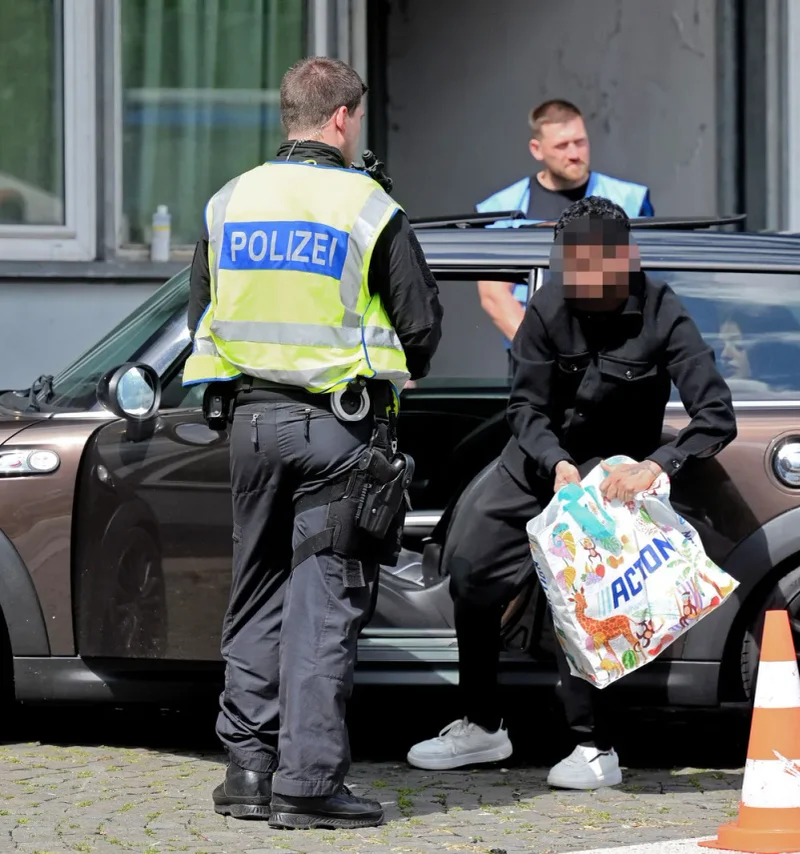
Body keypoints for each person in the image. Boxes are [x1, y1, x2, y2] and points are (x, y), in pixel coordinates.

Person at [183, 56, 443, 829]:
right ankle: (308, 783)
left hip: (252, 429)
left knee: (256, 594)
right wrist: (405, 371)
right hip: (337, 430)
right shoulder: (366, 206)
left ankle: (247, 773)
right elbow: (420, 323)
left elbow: (204, 314)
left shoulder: (228, 202)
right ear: (341, 119)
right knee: (323, 606)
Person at [405, 196, 736, 790]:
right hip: (535, 467)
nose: (580, 282)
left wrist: (656, 466)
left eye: (593, 269)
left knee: (579, 600)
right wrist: (555, 463)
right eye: (570, 268)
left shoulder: (662, 312)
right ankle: (482, 724)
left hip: (607, 482)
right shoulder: (548, 304)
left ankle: (593, 747)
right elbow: (525, 406)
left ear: (625, 258)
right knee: (469, 572)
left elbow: (715, 416)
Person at [475, 100, 654, 344]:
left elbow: (649, 280)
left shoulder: (630, 200)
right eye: (561, 146)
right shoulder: (502, 209)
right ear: (537, 149)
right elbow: (494, 295)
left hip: (616, 351)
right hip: (538, 359)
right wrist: (539, 350)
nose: (574, 154)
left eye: (580, 142)